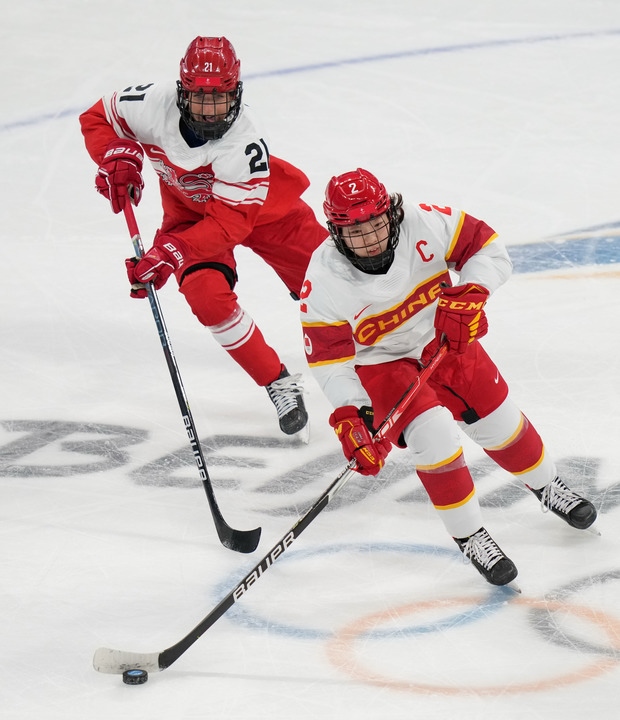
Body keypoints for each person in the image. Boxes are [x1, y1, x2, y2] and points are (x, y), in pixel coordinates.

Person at [300, 167, 597, 587]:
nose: (370, 238)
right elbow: (329, 361)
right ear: (335, 232)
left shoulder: (425, 222)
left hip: (443, 339)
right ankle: (471, 535)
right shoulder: (324, 278)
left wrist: (472, 292)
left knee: (501, 423)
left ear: (391, 213)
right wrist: (352, 414)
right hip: (382, 365)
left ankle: (547, 486)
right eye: (355, 231)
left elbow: (488, 248)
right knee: (435, 436)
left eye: (376, 223)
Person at [79, 36, 328, 435]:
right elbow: (97, 117)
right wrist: (115, 155)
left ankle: (392, 355)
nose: (210, 111)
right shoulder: (150, 105)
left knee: (336, 284)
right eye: (199, 98)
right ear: (181, 92)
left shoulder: (244, 140)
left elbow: (231, 224)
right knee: (206, 298)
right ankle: (276, 380)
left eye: (220, 99)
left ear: (236, 92)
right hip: (189, 219)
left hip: (268, 213)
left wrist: (172, 252)